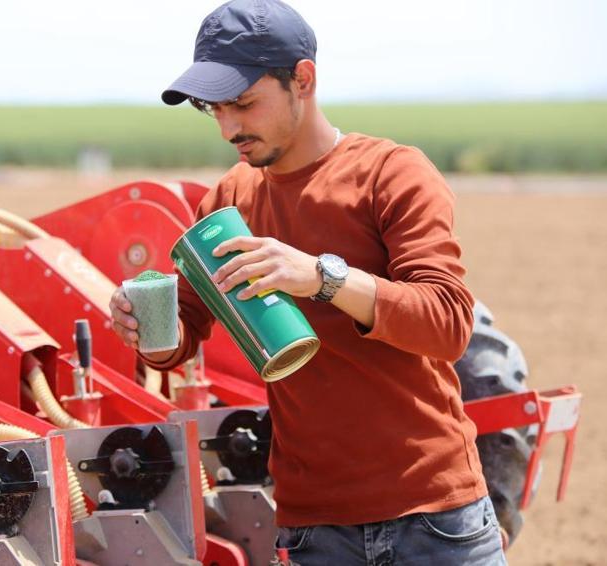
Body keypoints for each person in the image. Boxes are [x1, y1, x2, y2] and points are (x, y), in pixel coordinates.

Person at [109, 0, 507, 563]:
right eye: (213, 110)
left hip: (434, 521)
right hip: (314, 531)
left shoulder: (391, 175)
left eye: (243, 104)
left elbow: (446, 323)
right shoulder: (227, 202)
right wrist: (145, 325)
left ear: (303, 79)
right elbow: (183, 336)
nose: (228, 128)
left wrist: (320, 277)